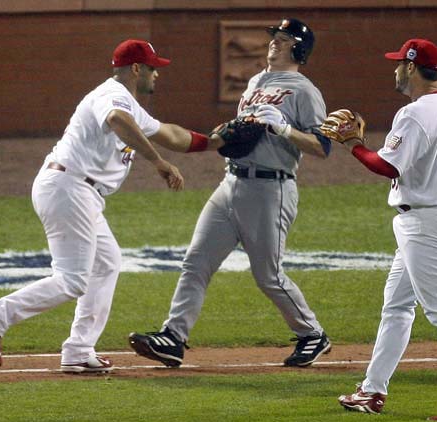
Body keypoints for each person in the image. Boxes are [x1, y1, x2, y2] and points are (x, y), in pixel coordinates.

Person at [0, 39, 222, 374]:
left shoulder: (130, 105)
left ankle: (78, 350)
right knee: (73, 279)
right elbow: (117, 119)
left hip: (75, 190)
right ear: (135, 69)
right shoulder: (113, 96)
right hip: (70, 187)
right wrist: (158, 162)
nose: (156, 75)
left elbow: (171, 134)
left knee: (106, 263)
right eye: (152, 68)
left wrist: (218, 140)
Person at [128, 18, 333, 368]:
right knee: (195, 261)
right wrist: (226, 131)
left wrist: (284, 129)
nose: (274, 43)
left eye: (283, 40)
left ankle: (313, 334)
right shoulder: (256, 81)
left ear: (299, 49)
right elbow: (242, 131)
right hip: (231, 184)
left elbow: (322, 146)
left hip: (271, 188)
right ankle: (173, 338)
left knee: (268, 275)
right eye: (275, 38)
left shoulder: (304, 91)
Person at [321, 38, 437, 421]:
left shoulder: (414, 113)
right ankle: (372, 391)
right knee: (396, 306)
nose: (395, 69)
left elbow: (387, 167)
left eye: (399, 63)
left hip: (427, 223)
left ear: (412, 67)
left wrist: (355, 145)